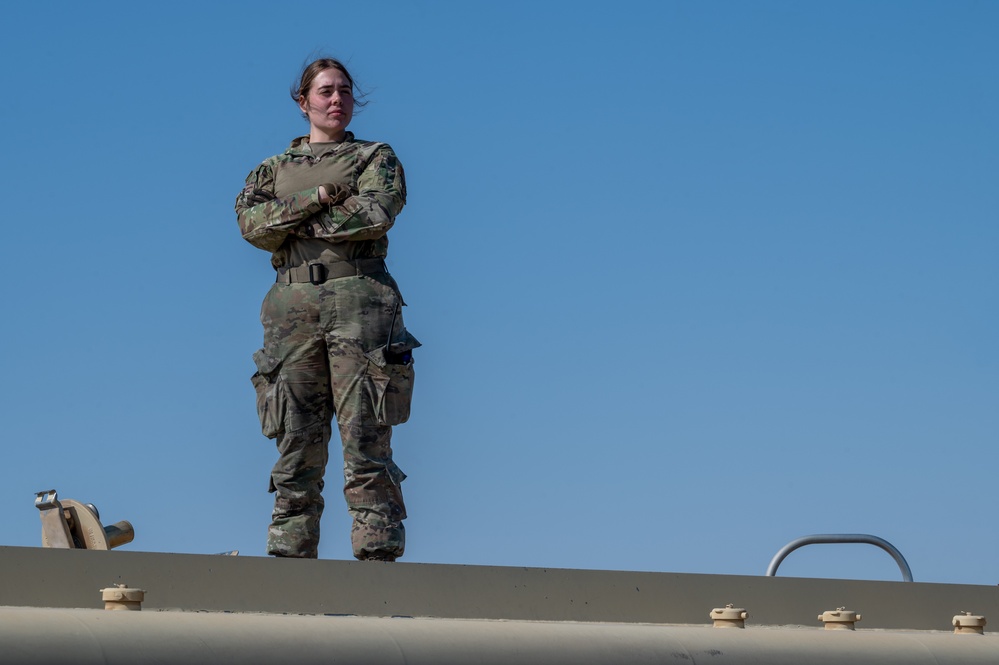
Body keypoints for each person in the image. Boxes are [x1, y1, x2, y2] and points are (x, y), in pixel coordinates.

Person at [234, 58, 417, 562]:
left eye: (343, 91)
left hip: (360, 300)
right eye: (325, 92)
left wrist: (289, 222)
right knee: (295, 434)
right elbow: (251, 226)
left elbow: (375, 214)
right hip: (290, 307)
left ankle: (377, 554)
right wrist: (316, 197)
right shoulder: (270, 170)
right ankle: (291, 555)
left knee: (366, 433)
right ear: (304, 102)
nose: (336, 100)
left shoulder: (373, 157)